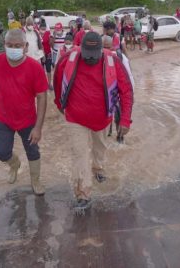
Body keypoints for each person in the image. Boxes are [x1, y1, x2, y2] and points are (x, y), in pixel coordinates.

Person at [53, 32, 134, 213]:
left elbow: (126, 91)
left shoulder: (113, 61)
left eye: (94, 55)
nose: (90, 58)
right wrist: (59, 104)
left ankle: (98, 168)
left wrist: (126, 119)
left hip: (102, 118)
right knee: (79, 154)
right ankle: (83, 194)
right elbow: (57, 80)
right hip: (75, 117)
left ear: (101, 50)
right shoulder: (68, 58)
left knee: (100, 148)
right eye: (86, 53)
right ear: (80, 47)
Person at [0, 29, 48, 194]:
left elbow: (42, 98)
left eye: (18, 45)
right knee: (0, 151)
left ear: (26, 46)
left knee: (33, 151)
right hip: (3, 118)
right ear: (4, 45)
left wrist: (38, 128)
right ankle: (15, 164)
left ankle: (35, 181)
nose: (13, 48)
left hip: (27, 119)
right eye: (9, 45)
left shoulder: (35, 67)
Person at [39, 22, 53, 90]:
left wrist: (52, 39)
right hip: (40, 55)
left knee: (48, 69)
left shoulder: (48, 33)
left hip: (48, 54)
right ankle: (42, 84)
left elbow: (51, 44)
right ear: (39, 28)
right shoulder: (37, 34)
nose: (43, 30)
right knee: (41, 70)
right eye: (42, 29)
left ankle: (49, 84)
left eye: (44, 29)